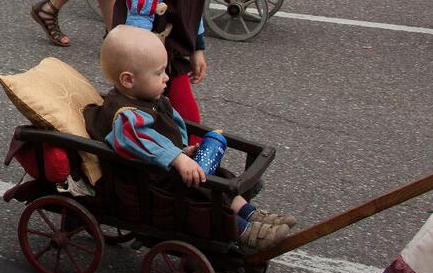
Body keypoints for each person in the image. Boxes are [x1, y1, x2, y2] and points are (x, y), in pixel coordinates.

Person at [84, 26, 294, 251]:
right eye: (158, 73)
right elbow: (139, 141)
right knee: (197, 200)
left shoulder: (148, 97)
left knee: (217, 179)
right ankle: (243, 230)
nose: (166, 77)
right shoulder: (126, 117)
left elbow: (162, 135)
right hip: (144, 184)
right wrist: (176, 157)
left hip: (158, 173)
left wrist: (181, 151)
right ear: (128, 80)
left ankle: (250, 214)